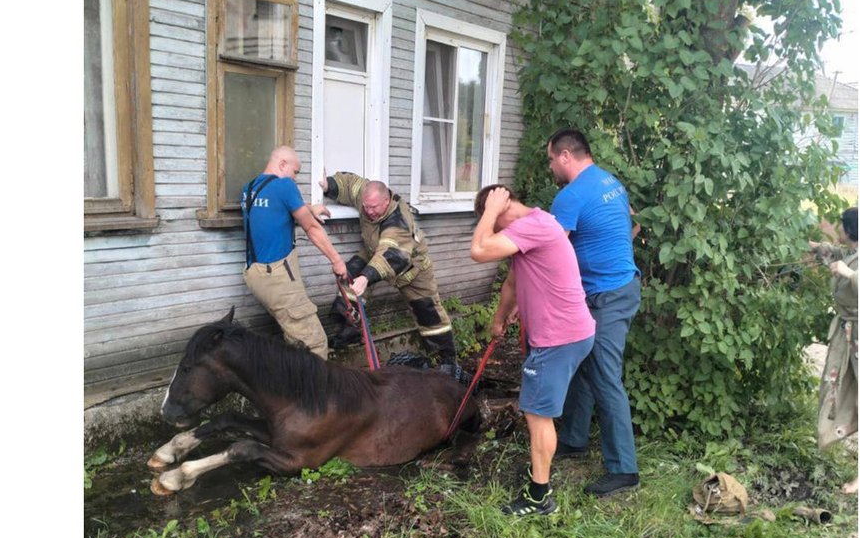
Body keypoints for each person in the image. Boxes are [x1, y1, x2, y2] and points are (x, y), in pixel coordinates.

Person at [471, 185, 595, 515]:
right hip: (570, 332)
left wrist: (489, 211)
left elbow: (479, 250)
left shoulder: (531, 225)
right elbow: (513, 281)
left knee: (537, 414)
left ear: (500, 210)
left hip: (558, 338)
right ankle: (540, 475)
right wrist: (501, 318)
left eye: (492, 220)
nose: (493, 229)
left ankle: (539, 496)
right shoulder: (535, 224)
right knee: (539, 409)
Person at [546, 128, 643, 498]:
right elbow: (634, 222)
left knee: (604, 374)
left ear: (566, 156)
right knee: (586, 364)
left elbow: (549, 254)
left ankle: (624, 469)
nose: (551, 166)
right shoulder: (610, 181)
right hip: (620, 287)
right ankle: (572, 438)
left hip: (607, 296)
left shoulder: (570, 197)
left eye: (552, 159)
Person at [315, 170, 459, 376]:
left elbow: (392, 255)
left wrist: (365, 278)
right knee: (348, 275)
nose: (368, 211)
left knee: (428, 312)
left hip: (411, 268)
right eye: (365, 206)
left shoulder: (398, 220)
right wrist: (328, 185)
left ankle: (446, 360)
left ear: (386, 200)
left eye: (373, 208)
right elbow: (350, 185)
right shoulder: (367, 196)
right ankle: (351, 330)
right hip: (374, 251)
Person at [239, 146, 348, 359]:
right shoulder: (284, 186)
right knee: (314, 343)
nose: (295, 178)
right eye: (295, 172)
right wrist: (337, 261)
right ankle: (314, 391)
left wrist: (308, 207)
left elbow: (275, 208)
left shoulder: (249, 188)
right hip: (278, 276)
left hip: (255, 274)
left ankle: (293, 385)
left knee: (294, 338)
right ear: (282, 165)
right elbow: (312, 228)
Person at [809, 207, 858, 494]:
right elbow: (835, 253)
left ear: (850, 229)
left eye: (841, 224)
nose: (837, 227)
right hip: (847, 335)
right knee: (838, 388)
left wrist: (850, 274)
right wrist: (815, 248)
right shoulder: (851, 252)